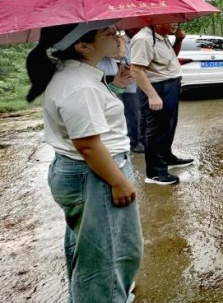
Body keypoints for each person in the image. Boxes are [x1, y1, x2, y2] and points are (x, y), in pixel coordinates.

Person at [26, 21, 142, 302]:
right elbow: (88, 145)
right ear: (83, 45)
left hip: (84, 171)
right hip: (96, 174)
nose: (119, 37)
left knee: (91, 250)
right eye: (109, 33)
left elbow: (91, 119)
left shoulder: (78, 75)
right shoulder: (79, 86)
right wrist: (118, 181)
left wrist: (114, 87)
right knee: (110, 255)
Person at [130, 23, 194, 185]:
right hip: (156, 88)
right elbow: (136, 70)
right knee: (155, 129)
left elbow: (171, 57)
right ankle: (155, 172)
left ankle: (167, 158)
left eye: (177, 21)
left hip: (170, 85)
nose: (175, 24)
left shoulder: (162, 38)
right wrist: (152, 95)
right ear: (158, 20)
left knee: (168, 126)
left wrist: (178, 40)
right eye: (171, 20)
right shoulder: (144, 39)